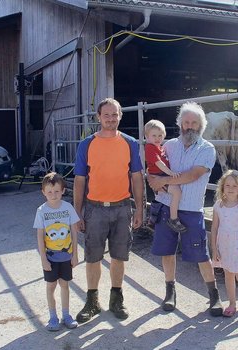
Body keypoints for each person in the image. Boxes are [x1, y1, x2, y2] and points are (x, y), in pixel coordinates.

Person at [147, 101, 223, 316]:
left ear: (201, 125)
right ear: (180, 123)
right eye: (186, 121)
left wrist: (161, 180)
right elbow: (151, 168)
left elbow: (193, 175)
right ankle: (170, 291)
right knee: (167, 251)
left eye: (194, 122)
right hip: (165, 205)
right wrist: (153, 179)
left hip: (191, 209)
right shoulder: (168, 145)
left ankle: (214, 296)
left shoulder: (207, 149)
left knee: (201, 254)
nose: (189, 126)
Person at [73, 97, 144, 323]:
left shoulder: (130, 143)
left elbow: (136, 178)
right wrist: (77, 212)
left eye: (115, 115)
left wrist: (140, 208)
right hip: (94, 209)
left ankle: (116, 299)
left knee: (118, 256)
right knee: (93, 257)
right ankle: (92, 301)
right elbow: (79, 180)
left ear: (120, 116)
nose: (111, 119)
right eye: (107, 115)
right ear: (99, 117)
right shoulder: (86, 144)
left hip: (122, 207)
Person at [33, 172, 81, 331]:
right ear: (43, 192)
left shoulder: (68, 208)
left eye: (56, 191)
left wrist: (75, 254)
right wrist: (43, 259)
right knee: (51, 286)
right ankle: (53, 317)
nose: (53, 195)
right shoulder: (41, 211)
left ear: (63, 191)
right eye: (49, 192)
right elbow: (40, 236)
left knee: (65, 285)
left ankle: (66, 315)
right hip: (50, 257)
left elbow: (74, 232)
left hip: (66, 256)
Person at [211, 169, 238, 321]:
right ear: (222, 187)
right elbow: (215, 228)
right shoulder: (218, 206)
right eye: (227, 185)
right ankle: (232, 304)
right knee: (228, 275)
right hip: (224, 246)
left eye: (234, 186)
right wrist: (214, 248)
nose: (230, 189)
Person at [144, 119, 185, 233]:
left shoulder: (159, 147)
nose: (157, 138)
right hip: (159, 175)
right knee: (177, 192)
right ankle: (173, 218)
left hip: (160, 174)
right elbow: (158, 163)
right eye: (154, 136)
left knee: (164, 196)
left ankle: (153, 219)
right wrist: (170, 173)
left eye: (160, 135)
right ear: (147, 137)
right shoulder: (150, 148)